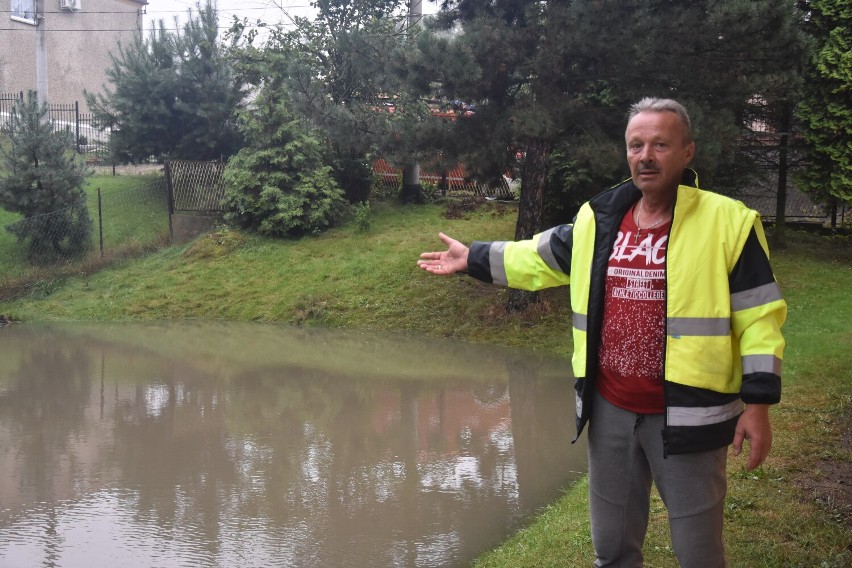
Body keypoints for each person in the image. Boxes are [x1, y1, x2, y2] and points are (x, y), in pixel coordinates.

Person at [417, 97, 786, 567]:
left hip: (690, 416)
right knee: (611, 548)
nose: (646, 155)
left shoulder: (729, 223)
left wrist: (758, 404)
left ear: (687, 152)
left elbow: (759, 316)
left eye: (660, 144)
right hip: (610, 409)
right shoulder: (602, 217)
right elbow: (539, 257)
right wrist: (473, 258)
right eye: (636, 145)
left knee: (698, 553)